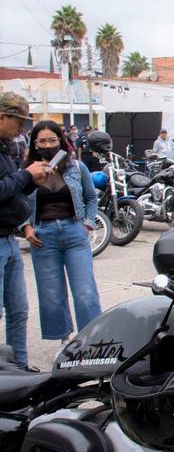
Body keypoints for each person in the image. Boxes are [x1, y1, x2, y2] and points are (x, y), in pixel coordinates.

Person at [21, 120, 101, 343]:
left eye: (52, 140)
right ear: (35, 144)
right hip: (42, 237)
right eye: (42, 141)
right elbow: (18, 202)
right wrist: (26, 227)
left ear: (61, 141)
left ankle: (91, 341)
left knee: (85, 293)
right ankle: (65, 341)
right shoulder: (27, 172)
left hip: (74, 232)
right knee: (52, 296)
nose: (48, 145)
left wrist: (88, 223)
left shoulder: (77, 167)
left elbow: (91, 197)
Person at [0, 92, 53, 370]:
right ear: (1, 117)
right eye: (17, 121)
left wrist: (34, 181)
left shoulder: (6, 148)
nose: (21, 129)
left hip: (9, 240)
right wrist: (25, 175)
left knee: (18, 312)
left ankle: (17, 368)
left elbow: (14, 191)